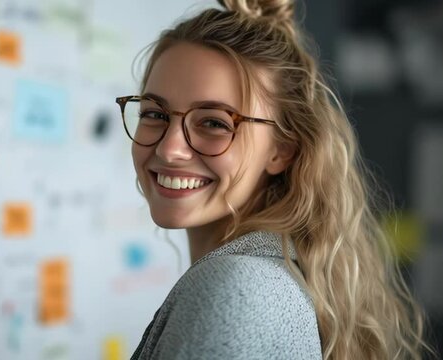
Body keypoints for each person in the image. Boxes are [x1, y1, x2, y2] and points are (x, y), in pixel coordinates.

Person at [115, 0, 434, 358]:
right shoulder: (270, 272)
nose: (170, 148)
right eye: (155, 113)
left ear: (281, 149)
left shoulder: (236, 289)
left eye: (214, 122)